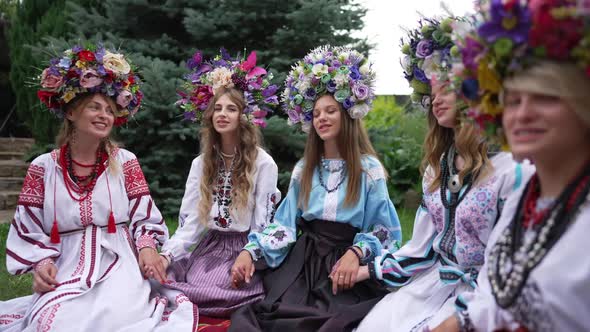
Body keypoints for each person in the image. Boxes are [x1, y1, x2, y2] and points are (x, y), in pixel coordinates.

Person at [355, 17, 533, 332]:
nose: (434, 98)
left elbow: (504, 271)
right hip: (434, 284)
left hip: (484, 296)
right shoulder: (438, 168)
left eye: (445, 88)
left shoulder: (513, 169)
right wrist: (368, 269)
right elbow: (422, 248)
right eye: (431, 91)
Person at [0, 45, 195, 331]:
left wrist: (146, 248)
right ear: (71, 112)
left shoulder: (125, 162)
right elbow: (27, 227)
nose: (105, 115)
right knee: (52, 323)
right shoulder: (43, 167)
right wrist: (41, 264)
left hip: (119, 262)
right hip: (64, 265)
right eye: (94, 106)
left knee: (115, 318)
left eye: (109, 110)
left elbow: (144, 217)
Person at [431, 1, 590, 331]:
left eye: (546, 96)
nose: (522, 113)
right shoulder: (526, 199)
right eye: (513, 100)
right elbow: (496, 301)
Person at [228, 45, 403, 332]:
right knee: (275, 318)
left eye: (330, 111)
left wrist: (357, 253)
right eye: (316, 113)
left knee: (337, 322)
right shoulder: (304, 169)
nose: (321, 118)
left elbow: (384, 230)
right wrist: (251, 250)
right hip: (304, 264)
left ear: (347, 115)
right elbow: (283, 227)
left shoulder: (368, 170)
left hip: (344, 264)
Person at [159, 49, 281, 317]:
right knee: (166, 274)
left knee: (222, 285)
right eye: (217, 108)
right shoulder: (201, 163)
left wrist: (250, 253)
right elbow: (190, 224)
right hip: (211, 247)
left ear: (244, 116)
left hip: (243, 249)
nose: (222, 114)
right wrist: (165, 256)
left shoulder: (263, 163)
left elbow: (264, 223)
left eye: (231, 108)